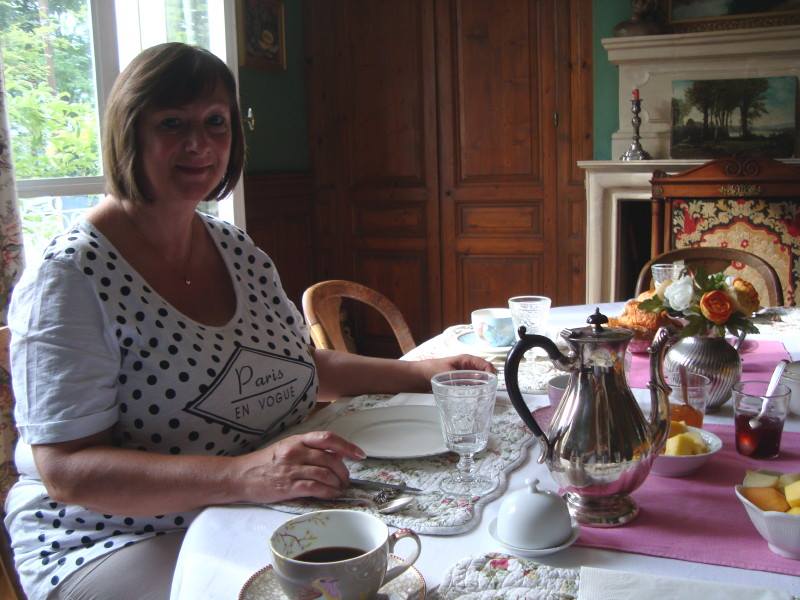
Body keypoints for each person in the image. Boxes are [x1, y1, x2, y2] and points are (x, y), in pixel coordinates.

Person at [4, 43, 491, 600]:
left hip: (256, 502)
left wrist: (424, 371)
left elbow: (299, 365)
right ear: (128, 132)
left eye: (216, 122)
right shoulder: (69, 278)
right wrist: (243, 476)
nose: (199, 144)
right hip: (115, 537)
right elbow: (68, 471)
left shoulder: (236, 250)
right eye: (172, 123)